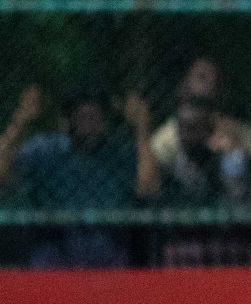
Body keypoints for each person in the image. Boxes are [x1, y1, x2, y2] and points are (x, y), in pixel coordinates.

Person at [0, 84, 158, 268]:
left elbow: (149, 189)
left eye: (94, 116)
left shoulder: (119, 154)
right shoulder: (47, 149)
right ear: (68, 119)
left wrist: (142, 126)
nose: (88, 123)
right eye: (82, 117)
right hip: (54, 263)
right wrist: (21, 121)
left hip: (109, 264)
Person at [158, 94, 251, 266]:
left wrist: (232, 160)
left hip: (229, 250)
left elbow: (250, 208)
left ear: (210, 130)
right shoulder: (172, 169)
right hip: (189, 252)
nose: (190, 136)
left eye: (196, 128)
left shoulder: (232, 163)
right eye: (185, 128)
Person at [150, 58, 251, 181]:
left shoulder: (243, 134)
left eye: (216, 80)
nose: (210, 84)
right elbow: (149, 182)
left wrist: (235, 152)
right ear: (184, 84)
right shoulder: (167, 139)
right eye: (202, 77)